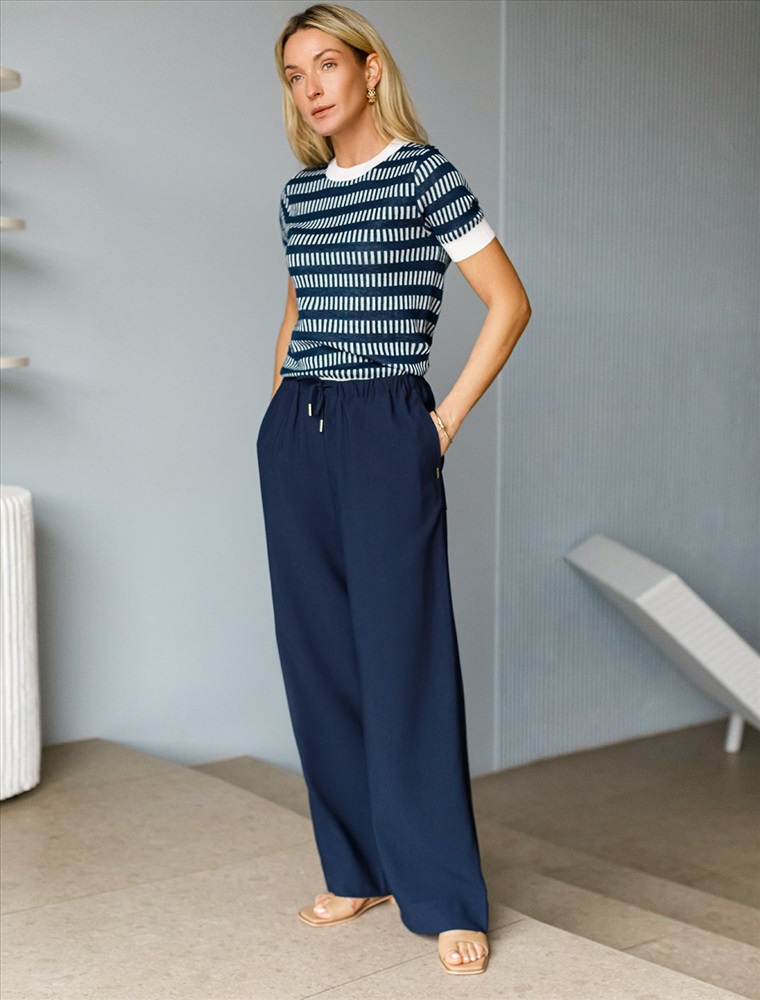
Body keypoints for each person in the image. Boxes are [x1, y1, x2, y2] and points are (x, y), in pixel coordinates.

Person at [257, 2, 531, 976]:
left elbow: (509, 301)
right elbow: (299, 306)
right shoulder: (299, 195)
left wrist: (441, 420)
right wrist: (279, 404)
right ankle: (357, 866)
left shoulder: (424, 173)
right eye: (295, 75)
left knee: (403, 659)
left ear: (371, 70)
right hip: (299, 429)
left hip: (386, 423)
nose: (312, 88)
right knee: (319, 657)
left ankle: (444, 894)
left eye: (327, 65)